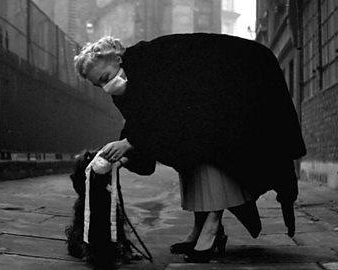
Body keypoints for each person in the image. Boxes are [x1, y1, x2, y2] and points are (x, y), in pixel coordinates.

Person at [73, 33, 306, 263]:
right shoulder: (125, 83)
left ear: (117, 59)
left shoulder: (149, 62)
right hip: (207, 99)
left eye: (105, 77)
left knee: (208, 144)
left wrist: (129, 143)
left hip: (240, 78)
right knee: (183, 150)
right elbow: (141, 121)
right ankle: (200, 227)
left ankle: (212, 228)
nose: (105, 87)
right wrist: (127, 152)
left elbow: (161, 110)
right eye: (98, 84)